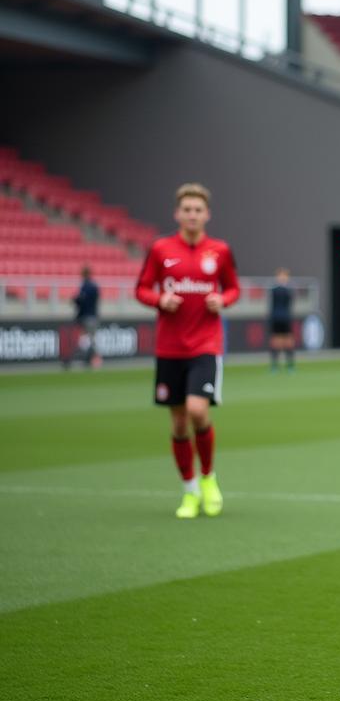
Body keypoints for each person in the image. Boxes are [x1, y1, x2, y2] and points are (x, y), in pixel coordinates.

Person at [135, 183, 239, 519]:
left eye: (198, 210)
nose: (192, 215)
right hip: (169, 347)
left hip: (205, 345)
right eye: (187, 209)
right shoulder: (161, 249)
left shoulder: (220, 250)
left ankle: (208, 478)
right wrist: (159, 300)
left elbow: (233, 288)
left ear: (207, 214)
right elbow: (141, 288)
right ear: (177, 214)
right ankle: (189, 489)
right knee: (179, 424)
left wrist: (221, 300)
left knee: (197, 411)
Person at [69, 265, 101, 368]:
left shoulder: (85, 286)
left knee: (87, 338)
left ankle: (88, 358)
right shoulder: (95, 286)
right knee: (90, 338)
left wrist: (75, 300)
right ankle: (92, 359)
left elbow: (81, 300)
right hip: (93, 316)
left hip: (86, 316)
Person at [268, 267, 296, 372]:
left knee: (288, 341)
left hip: (286, 318)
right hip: (276, 319)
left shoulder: (288, 290)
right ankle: (274, 365)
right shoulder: (274, 290)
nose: (282, 278)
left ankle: (290, 365)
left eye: (284, 276)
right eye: (280, 276)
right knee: (276, 341)